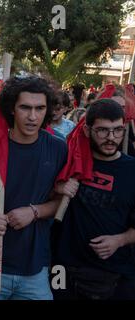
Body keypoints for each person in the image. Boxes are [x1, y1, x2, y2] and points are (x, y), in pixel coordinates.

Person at [0, 76, 69, 300]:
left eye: (40, 108)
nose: (32, 116)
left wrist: (34, 211)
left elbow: (62, 201)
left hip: (36, 267)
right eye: (25, 108)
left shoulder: (58, 148)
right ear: (11, 109)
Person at [53, 99, 135, 300]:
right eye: (103, 131)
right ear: (88, 130)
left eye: (117, 130)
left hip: (112, 274)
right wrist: (57, 188)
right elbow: (39, 197)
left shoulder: (132, 170)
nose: (111, 138)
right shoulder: (70, 161)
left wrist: (120, 240)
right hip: (63, 269)